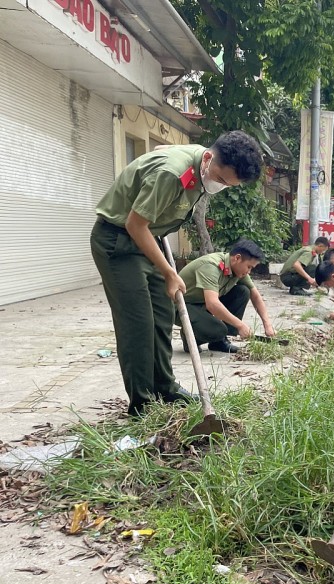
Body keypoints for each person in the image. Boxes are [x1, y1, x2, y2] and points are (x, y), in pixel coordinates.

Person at [90, 131, 263, 416]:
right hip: (119, 241)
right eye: (220, 180)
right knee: (138, 326)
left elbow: (161, 147)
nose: (220, 186)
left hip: (149, 240)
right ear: (208, 158)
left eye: (228, 185)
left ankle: (165, 388)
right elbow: (135, 225)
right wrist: (170, 272)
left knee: (161, 317)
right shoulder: (172, 174)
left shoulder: (201, 160)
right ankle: (142, 403)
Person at [177, 239, 274, 353]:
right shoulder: (211, 266)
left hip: (202, 303)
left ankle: (218, 342)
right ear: (237, 258)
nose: (249, 271)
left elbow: (255, 295)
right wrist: (240, 325)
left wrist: (267, 325)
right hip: (182, 305)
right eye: (249, 267)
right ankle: (190, 337)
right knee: (218, 330)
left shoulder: (237, 269)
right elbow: (212, 304)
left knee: (242, 292)